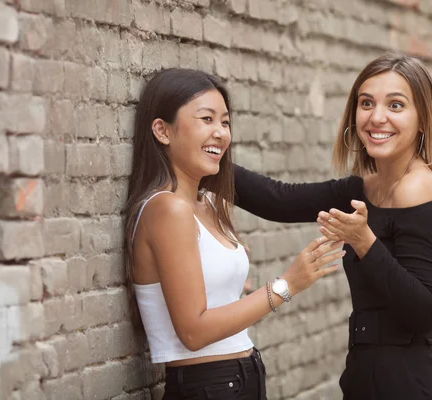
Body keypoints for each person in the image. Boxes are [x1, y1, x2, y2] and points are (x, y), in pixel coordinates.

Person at [233, 53, 432, 399]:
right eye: (366, 103)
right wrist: (207, 159)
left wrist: (365, 241)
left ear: (422, 120)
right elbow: (278, 199)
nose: (377, 117)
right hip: (367, 379)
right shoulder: (364, 187)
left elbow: (424, 310)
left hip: (412, 385)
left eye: (396, 105)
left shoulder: (420, 188)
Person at [123, 68, 345, 400]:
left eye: (225, 122)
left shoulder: (209, 205)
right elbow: (193, 332)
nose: (220, 133)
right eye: (206, 119)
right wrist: (287, 285)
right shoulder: (167, 209)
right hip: (208, 385)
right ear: (162, 131)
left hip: (242, 377)